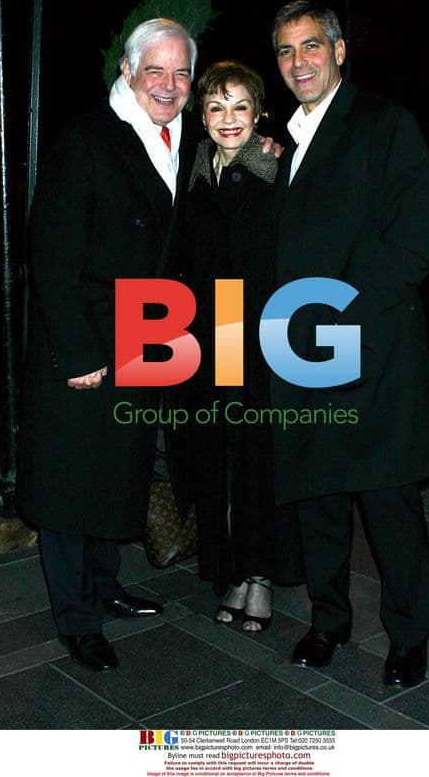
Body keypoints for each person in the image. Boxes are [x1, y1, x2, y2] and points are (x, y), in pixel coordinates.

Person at [269, 0, 429, 685]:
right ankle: (329, 621)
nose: (299, 61)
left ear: (339, 50)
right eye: (286, 51)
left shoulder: (383, 125)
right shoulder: (278, 142)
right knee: (318, 496)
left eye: (311, 45)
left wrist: (342, 319)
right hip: (299, 350)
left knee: (387, 502)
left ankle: (409, 636)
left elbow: (413, 244)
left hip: (368, 347)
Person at [15, 18, 202, 672]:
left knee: (116, 473)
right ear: (127, 71)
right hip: (90, 346)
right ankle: (76, 617)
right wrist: (81, 353)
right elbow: (54, 257)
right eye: (156, 69)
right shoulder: (86, 140)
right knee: (72, 484)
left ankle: (103, 585)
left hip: (145, 341)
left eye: (181, 72)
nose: (169, 84)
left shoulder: (183, 141)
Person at [166, 60, 304, 631]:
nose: (229, 119)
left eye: (241, 106)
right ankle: (230, 570)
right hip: (208, 338)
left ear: (258, 114)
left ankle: (261, 575)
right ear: (202, 115)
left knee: (259, 460)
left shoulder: (277, 168)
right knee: (219, 457)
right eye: (217, 107)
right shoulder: (190, 175)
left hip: (264, 336)